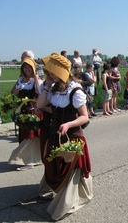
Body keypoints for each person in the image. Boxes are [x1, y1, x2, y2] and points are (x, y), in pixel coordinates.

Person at [36, 53, 93, 221]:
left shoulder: (75, 90)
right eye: (47, 73)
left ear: (62, 72)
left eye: (52, 73)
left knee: (71, 168)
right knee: (54, 164)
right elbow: (42, 105)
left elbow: (84, 117)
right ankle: (57, 191)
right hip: (55, 134)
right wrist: (46, 85)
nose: (49, 76)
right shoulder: (52, 88)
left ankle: (66, 202)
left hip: (72, 137)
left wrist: (68, 124)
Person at [8, 57, 43, 171]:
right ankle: (32, 159)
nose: (27, 69)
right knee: (25, 136)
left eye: (29, 67)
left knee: (31, 136)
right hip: (23, 110)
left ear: (33, 68)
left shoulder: (36, 79)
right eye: (25, 67)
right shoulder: (21, 79)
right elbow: (12, 92)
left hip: (33, 110)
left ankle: (30, 161)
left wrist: (37, 78)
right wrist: (15, 93)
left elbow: (39, 92)